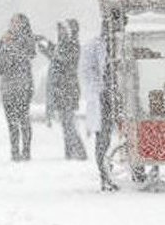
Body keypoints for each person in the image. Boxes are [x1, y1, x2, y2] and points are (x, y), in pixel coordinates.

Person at [0, 14, 36, 162]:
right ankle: (15, 151)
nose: (13, 24)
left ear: (23, 24)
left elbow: (27, 56)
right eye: (12, 21)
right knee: (11, 120)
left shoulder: (26, 39)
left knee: (23, 118)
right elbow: (4, 61)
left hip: (22, 84)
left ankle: (26, 151)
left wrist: (11, 46)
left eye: (16, 22)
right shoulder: (4, 38)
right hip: (7, 85)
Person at [40, 20, 88, 161]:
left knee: (69, 124)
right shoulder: (62, 45)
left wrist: (47, 50)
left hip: (68, 89)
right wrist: (46, 45)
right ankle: (69, 152)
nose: (60, 33)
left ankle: (79, 153)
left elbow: (62, 60)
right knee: (66, 124)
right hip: (61, 89)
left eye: (62, 30)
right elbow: (56, 56)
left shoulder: (73, 46)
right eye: (59, 30)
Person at [80, 30, 118, 191]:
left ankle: (109, 173)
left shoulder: (115, 42)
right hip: (102, 98)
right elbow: (88, 73)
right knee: (103, 139)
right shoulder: (93, 46)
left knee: (112, 138)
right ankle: (105, 175)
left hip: (114, 96)